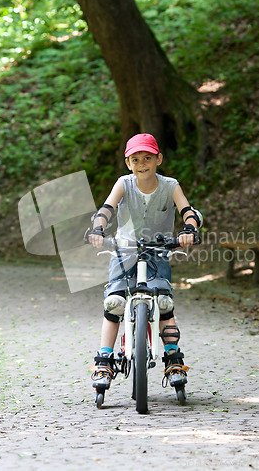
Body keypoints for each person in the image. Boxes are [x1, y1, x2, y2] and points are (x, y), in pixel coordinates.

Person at [88, 133, 202, 393]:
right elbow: (107, 209)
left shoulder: (170, 185)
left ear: (158, 159)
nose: (142, 163)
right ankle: (104, 359)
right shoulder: (123, 184)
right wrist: (98, 229)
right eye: (136, 159)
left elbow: (188, 211)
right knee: (114, 301)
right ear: (128, 163)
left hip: (157, 250)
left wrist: (188, 229)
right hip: (124, 250)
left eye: (147, 158)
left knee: (163, 302)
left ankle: (173, 358)